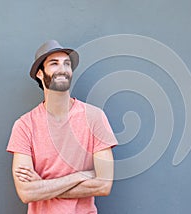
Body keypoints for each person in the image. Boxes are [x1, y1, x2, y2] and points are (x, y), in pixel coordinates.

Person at [7, 40, 118, 214]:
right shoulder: (24, 126)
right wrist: (83, 175)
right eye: (54, 63)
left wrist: (43, 187)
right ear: (40, 74)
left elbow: (103, 185)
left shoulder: (95, 117)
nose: (63, 69)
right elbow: (27, 192)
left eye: (67, 64)